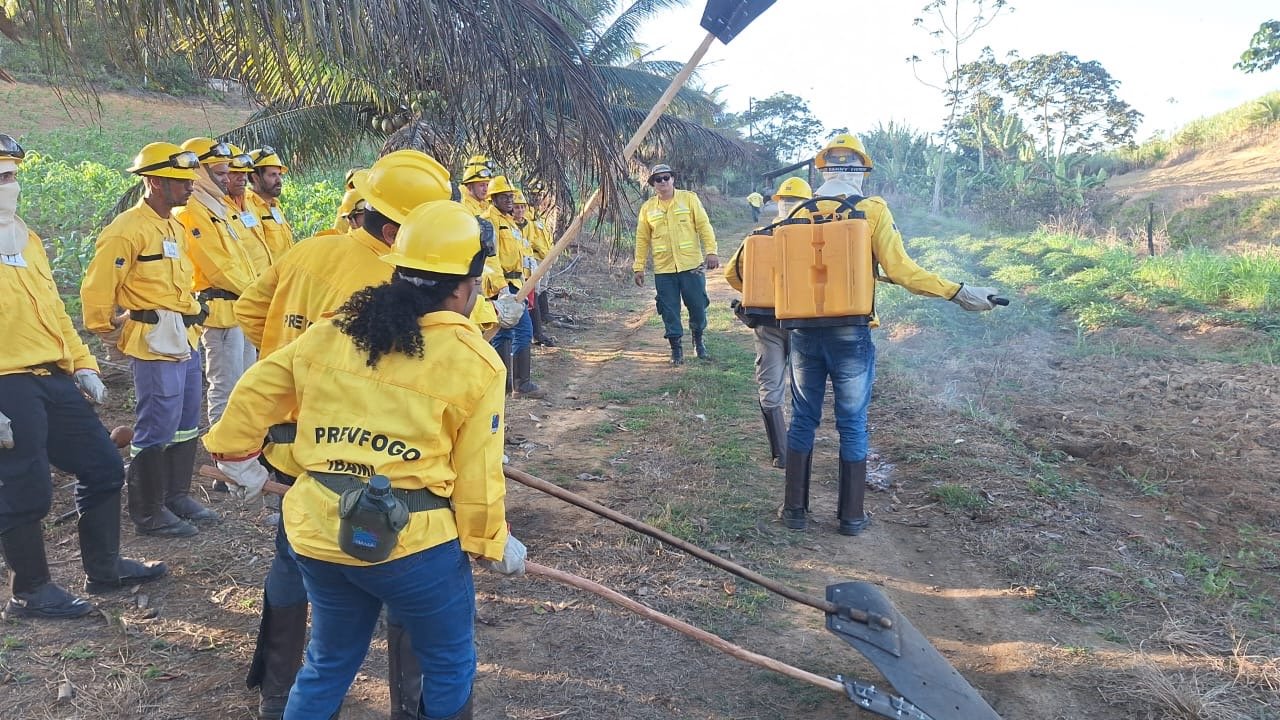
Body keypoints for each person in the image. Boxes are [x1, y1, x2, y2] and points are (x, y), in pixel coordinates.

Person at [204, 200, 524, 720]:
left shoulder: (335, 330)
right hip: (413, 548)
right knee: (448, 662)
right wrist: (491, 542)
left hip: (317, 532)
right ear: (464, 285)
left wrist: (236, 455)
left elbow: (258, 384)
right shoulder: (474, 361)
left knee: (328, 659)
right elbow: (478, 474)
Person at [229, 149, 455, 720]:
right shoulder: (397, 285)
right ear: (392, 227)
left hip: (290, 445)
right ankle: (409, 702)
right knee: (398, 561)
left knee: (294, 557)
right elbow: (425, 374)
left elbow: (251, 312)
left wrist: (289, 383)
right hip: (367, 454)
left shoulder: (306, 249)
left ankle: (279, 690)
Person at [781, 134, 1002, 536]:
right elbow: (902, 270)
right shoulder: (871, 209)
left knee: (803, 418)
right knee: (852, 423)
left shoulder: (796, 212)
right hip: (849, 332)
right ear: (862, 170)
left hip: (801, 331)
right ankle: (850, 518)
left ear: (821, 169)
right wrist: (959, 292)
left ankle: (794, 511)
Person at [0, 133, 167, 620]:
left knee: (101, 466)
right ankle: (29, 591)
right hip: (6, 383)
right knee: (25, 486)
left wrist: (84, 364)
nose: (8, 186)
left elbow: (50, 309)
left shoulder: (24, 238)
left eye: (11, 176)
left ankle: (105, 566)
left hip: (52, 374)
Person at [81, 142, 208, 539]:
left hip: (183, 336)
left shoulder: (173, 225)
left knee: (187, 420)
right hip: (152, 340)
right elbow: (98, 289)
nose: (189, 187)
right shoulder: (126, 230)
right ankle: (148, 511)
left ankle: (176, 496)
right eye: (179, 181)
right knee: (157, 423)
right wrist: (110, 332)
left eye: (189, 180)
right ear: (153, 181)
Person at [176, 139, 257, 497]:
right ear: (201, 173)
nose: (228, 179)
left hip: (240, 308)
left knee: (244, 386)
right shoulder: (192, 212)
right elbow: (217, 265)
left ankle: (242, 455)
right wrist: (258, 292)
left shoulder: (219, 208)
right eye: (221, 173)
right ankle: (224, 467)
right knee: (224, 389)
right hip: (221, 312)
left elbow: (244, 256)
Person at [724, 176, 813, 469]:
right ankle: (799, 449)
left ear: (778, 204)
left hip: (767, 322)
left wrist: (755, 293)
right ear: (808, 204)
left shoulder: (760, 235)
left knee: (770, 385)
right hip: (806, 324)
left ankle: (781, 453)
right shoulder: (821, 235)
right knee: (804, 387)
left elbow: (731, 274)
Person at [632, 163, 718, 365]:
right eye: (658, 179)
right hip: (664, 269)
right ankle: (676, 350)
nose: (663, 182)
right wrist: (639, 267)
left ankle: (698, 341)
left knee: (697, 306)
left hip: (692, 266)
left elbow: (704, 226)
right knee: (669, 310)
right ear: (653, 184)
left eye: (666, 177)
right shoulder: (647, 209)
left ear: (673, 179)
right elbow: (642, 239)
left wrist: (711, 251)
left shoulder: (689, 199)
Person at [481, 176, 543, 397]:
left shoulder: (510, 222)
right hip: (504, 287)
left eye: (512, 196)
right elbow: (490, 258)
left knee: (505, 334)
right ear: (493, 198)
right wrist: (501, 289)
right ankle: (520, 384)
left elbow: (521, 252)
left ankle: (506, 385)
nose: (510, 200)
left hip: (518, 283)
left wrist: (531, 273)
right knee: (521, 331)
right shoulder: (489, 221)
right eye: (505, 197)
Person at [513, 189, 556, 347]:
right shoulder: (510, 224)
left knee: (534, 297)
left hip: (533, 266)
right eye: (517, 207)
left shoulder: (533, 219)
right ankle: (535, 333)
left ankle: (537, 331)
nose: (520, 210)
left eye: (522, 207)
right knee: (528, 301)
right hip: (520, 272)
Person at [247, 146, 294, 258]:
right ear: (255, 178)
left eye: (279, 175)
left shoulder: (274, 205)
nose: (279, 180)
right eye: (273, 175)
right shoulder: (248, 207)